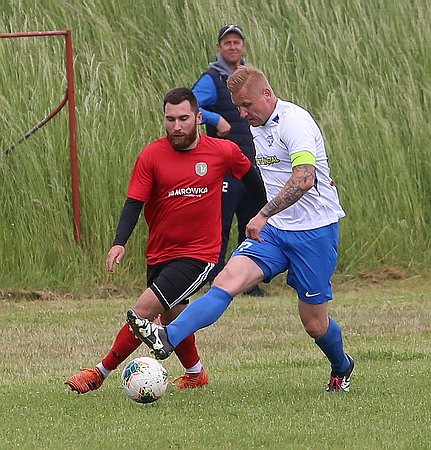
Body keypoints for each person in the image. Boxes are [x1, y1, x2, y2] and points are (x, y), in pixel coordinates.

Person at [127, 65, 355, 392]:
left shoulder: (295, 122)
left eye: (247, 105)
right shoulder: (256, 123)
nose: (243, 114)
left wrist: (262, 213)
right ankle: (167, 337)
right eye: (238, 107)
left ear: (267, 94)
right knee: (226, 281)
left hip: (314, 232)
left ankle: (342, 366)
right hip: (274, 232)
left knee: (315, 325)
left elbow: (304, 178)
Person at [65, 87, 266, 393]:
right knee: (173, 316)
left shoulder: (222, 151)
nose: (177, 126)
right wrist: (119, 242)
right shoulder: (152, 155)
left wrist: (265, 215)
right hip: (160, 252)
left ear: (198, 118)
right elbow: (134, 203)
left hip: (200, 254)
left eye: (183, 118)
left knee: (143, 311)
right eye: (170, 119)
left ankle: (98, 373)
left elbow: (253, 178)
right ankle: (195, 373)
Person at [192, 24, 268, 297]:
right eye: (227, 42)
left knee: (252, 222)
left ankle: (249, 282)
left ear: (243, 46)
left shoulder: (251, 78)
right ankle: (215, 279)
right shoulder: (212, 79)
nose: (233, 47)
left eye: (237, 42)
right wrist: (216, 119)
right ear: (219, 47)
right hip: (224, 169)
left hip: (251, 165)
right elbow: (190, 106)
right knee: (220, 226)